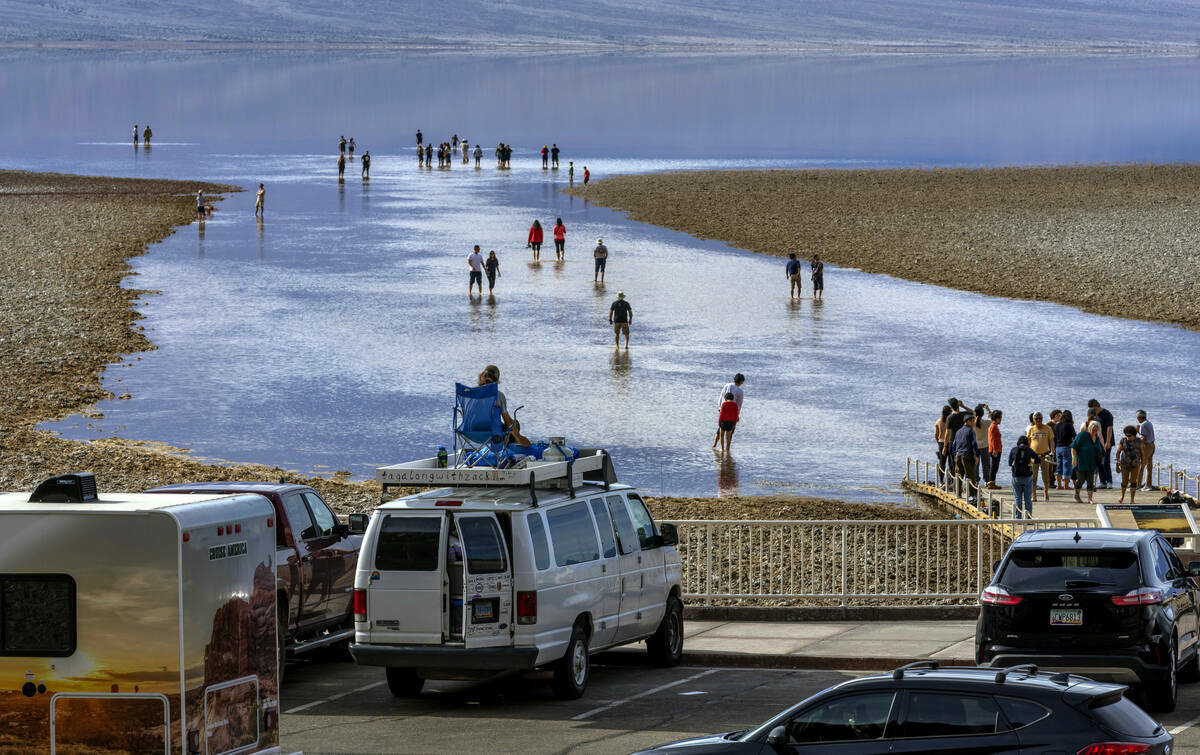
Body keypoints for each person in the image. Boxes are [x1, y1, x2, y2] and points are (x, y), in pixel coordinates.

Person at [477, 364, 530, 446]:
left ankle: (504, 442)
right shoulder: (498, 396)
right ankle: (506, 449)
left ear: (481, 377)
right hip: (492, 433)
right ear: (496, 381)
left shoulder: (470, 394)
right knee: (515, 424)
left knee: (512, 423)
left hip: (471, 431)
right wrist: (519, 438)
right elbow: (508, 423)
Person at [1071, 421, 1103, 503]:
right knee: (1081, 479)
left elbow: (1099, 450)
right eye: (1093, 430)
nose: (1095, 432)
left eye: (1096, 430)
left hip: (1091, 463)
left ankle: (1090, 499)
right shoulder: (1082, 435)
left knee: (1090, 481)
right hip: (1081, 462)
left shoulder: (1097, 438)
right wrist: (1074, 459)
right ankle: (1077, 495)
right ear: (1089, 429)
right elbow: (1073, 447)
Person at [1008, 436, 1040, 519]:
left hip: (1016, 477)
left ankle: (1018, 517)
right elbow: (1037, 459)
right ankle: (1028, 518)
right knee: (1027, 499)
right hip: (1027, 477)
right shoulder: (1029, 450)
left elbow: (1009, 463)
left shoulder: (1013, 450)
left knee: (1017, 498)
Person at [953, 413, 980, 502]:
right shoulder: (970, 431)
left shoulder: (958, 431)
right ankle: (971, 495)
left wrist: (954, 455)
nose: (974, 423)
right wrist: (976, 455)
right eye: (973, 421)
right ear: (968, 421)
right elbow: (974, 443)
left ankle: (957, 492)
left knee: (959, 475)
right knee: (970, 476)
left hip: (958, 455)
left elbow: (954, 445)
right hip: (967, 456)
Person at [713, 374, 746, 449]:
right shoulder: (740, 391)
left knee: (721, 428)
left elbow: (721, 396)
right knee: (730, 431)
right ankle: (727, 449)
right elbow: (739, 404)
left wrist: (719, 407)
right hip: (732, 412)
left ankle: (715, 444)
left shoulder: (727, 385)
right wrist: (737, 415)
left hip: (723, 408)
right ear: (741, 381)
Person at [1088, 398, 1115, 488]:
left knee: (1106, 461)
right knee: (1099, 461)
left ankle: (1109, 481)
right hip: (1097, 441)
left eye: (1093, 409)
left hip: (1107, 441)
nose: (1093, 411)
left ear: (1097, 406)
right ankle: (1102, 481)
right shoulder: (1095, 416)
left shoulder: (1107, 414)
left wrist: (1107, 441)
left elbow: (1109, 428)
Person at [1026, 413, 1053, 501]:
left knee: (1046, 476)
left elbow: (1051, 441)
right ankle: (1034, 495)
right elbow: (1028, 442)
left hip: (1045, 455)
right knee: (1033, 476)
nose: (1038, 420)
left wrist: (1052, 452)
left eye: (1040, 418)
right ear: (1033, 420)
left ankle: (1046, 493)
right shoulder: (1031, 429)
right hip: (1034, 456)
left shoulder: (1048, 428)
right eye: (1036, 419)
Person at [1116, 425, 1144, 504]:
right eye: (1126, 435)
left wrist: (1143, 463)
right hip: (1124, 463)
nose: (1127, 437)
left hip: (1136, 464)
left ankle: (1132, 499)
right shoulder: (1123, 440)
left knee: (1133, 481)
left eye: (1129, 435)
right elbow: (1118, 452)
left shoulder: (1139, 441)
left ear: (1134, 435)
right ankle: (1122, 496)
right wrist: (1117, 462)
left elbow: (1142, 453)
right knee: (1124, 481)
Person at [1054, 409, 1076, 491]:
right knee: (1067, 466)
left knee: (1059, 466)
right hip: (1066, 447)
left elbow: (1054, 438)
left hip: (1058, 448)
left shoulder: (1056, 425)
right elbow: (1075, 436)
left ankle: (1059, 485)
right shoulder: (1069, 425)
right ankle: (1066, 486)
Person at [1137, 410, 1156, 490]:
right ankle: (1148, 484)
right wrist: (1139, 431)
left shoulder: (1143, 425)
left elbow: (1143, 438)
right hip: (1152, 445)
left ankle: (1137, 485)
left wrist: (1139, 447)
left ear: (1139, 417)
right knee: (1149, 465)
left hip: (1147, 446)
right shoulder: (1149, 423)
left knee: (1141, 465)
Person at [974, 404, 992, 485]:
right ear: (982, 414)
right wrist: (987, 408)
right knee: (986, 465)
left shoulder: (972, 422)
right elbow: (992, 418)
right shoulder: (986, 423)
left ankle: (976, 480)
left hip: (975, 447)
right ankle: (987, 480)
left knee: (975, 465)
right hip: (984, 446)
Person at [934, 405, 952, 487]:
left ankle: (941, 481)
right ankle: (951, 481)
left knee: (942, 463)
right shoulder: (950, 421)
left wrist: (938, 441)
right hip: (950, 442)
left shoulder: (938, 421)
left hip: (941, 442)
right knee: (951, 462)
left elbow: (935, 434)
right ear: (949, 412)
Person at [986, 409, 1003, 489]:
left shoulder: (993, 426)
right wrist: (995, 450)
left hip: (995, 449)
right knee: (994, 466)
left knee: (994, 466)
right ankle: (991, 482)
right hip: (995, 450)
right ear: (997, 418)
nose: (1001, 420)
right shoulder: (993, 426)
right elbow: (992, 439)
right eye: (1000, 418)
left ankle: (991, 481)